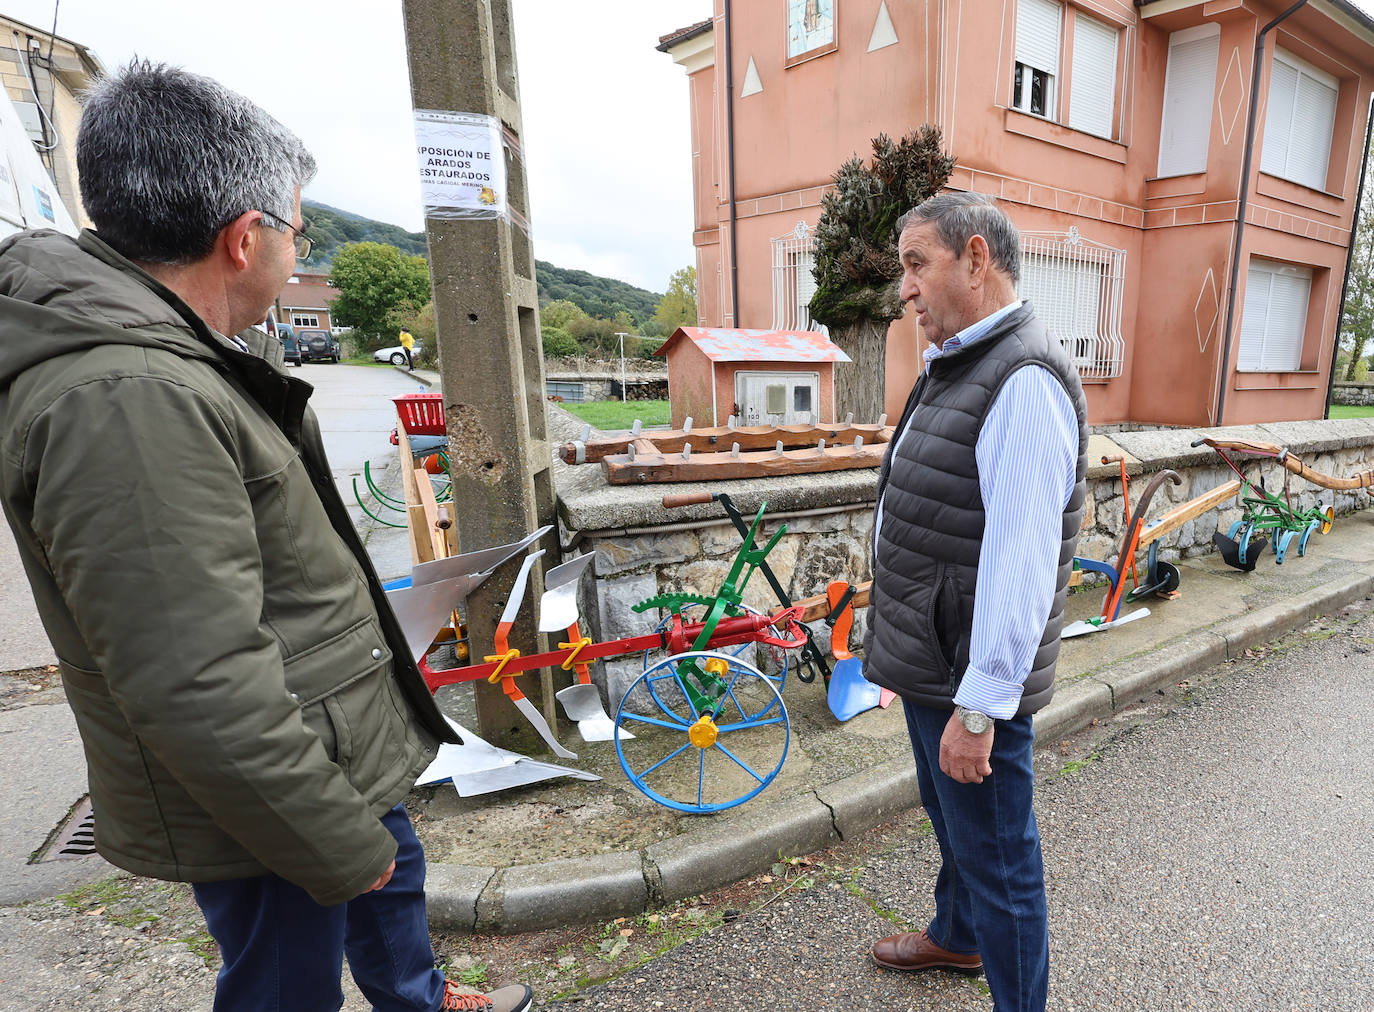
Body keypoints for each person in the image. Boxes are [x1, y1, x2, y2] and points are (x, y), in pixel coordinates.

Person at [0, 61, 531, 1012]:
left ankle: (417, 998)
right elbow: (194, 681)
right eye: (297, 227)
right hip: (270, 795)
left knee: (389, 878)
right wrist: (334, 839)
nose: (299, 246)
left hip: (321, 746)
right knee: (286, 984)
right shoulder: (127, 399)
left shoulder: (173, 356)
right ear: (245, 240)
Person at [862, 192, 1087, 1012]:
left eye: (918, 265)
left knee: (1000, 864)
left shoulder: (1021, 379)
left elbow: (1023, 566)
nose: (907, 289)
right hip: (935, 655)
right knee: (954, 823)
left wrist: (983, 707)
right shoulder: (962, 360)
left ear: (977, 259)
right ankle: (957, 938)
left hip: (969, 676)